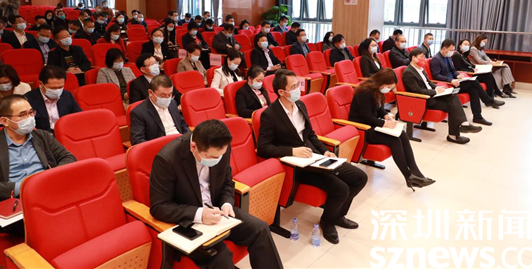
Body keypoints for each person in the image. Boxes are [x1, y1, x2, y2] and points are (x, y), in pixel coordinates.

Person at [149, 119, 284, 269]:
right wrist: (200, 214)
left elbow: (227, 182)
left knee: (260, 229)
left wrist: (227, 203)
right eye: (212, 157)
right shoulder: (167, 159)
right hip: (188, 221)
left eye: (220, 156)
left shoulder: (221, 148)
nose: (218, 160)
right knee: (221, 256)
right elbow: (159, 207)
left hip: (218, 211)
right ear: (193, 147)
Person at [257, 69, 367, 244]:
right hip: (297, 165)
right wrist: (292, 151)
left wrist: (324, 151)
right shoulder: (270, 114)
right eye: (293, 87)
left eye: (298, 85)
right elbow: (263, 148)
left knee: (360, 177)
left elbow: (310, 135)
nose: (298, 89)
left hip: (315, 156)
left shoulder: (300, 105)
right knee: (341, 188)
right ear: (281, 92)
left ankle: (336, 215)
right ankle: (328, 222)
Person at [0, 95, 76, 267]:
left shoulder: (42, 136)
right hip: (15, 203)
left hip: (49, 193)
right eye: (22, 115)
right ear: (4, 121)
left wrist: (49, 179)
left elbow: (69, 158)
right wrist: (23, 187)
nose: (30, 118)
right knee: (51, 222)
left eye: (31, 112)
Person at [349, 69, 435, 189]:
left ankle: (416, 172)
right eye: (388, 86)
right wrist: (385, 123)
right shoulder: (365, 91)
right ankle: (408, 176)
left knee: (402, 134)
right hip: (362, 127)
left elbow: (378, 107)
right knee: (394, 140)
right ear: (381, 82)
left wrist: (386, 115)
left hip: (372, 124)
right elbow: (366, 116)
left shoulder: (376, 90)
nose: (389, 89)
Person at [402, 49, 482, 144]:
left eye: (424, 57)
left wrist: (437, 87)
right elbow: (417, 91)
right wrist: (435, 91)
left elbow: (429, 82)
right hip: (424, 99)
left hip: (432, 95)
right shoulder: (408, 72)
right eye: (421, 57)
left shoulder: (420, 68)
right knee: (453, 106)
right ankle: (456, 133)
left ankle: (462, 126)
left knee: (453, 95)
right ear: (414, 58)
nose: (424, 59)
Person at [431, 39, 504, 125]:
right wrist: (451, 80)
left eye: (453, 50)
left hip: (455, 81)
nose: (452, 52)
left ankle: (478, 117)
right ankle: (488, 100)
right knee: (473, 82)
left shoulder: (448, 57)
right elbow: (436, 76)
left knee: (474, 90)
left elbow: (453, 70)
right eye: (451, 50)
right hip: (448, 85)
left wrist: (457, 75)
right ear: (444, 49)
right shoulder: (436, 59)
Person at [129, 75, 190, 145]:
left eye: (169, 95)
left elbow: (183, 124)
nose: (167, 98)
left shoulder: (172, 103)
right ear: (151, 93)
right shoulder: (138, 113)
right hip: (161, 146)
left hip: (181, 142)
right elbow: (137, 140)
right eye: (163, 95)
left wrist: (187, 139)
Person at [24, 65, 83, 132]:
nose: (57, 91)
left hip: (66, 132)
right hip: (43, 136)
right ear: (41, 84)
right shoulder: (27, 100)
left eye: (60, 87)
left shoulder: (67, 95)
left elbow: (79, 116)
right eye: (53, 88)